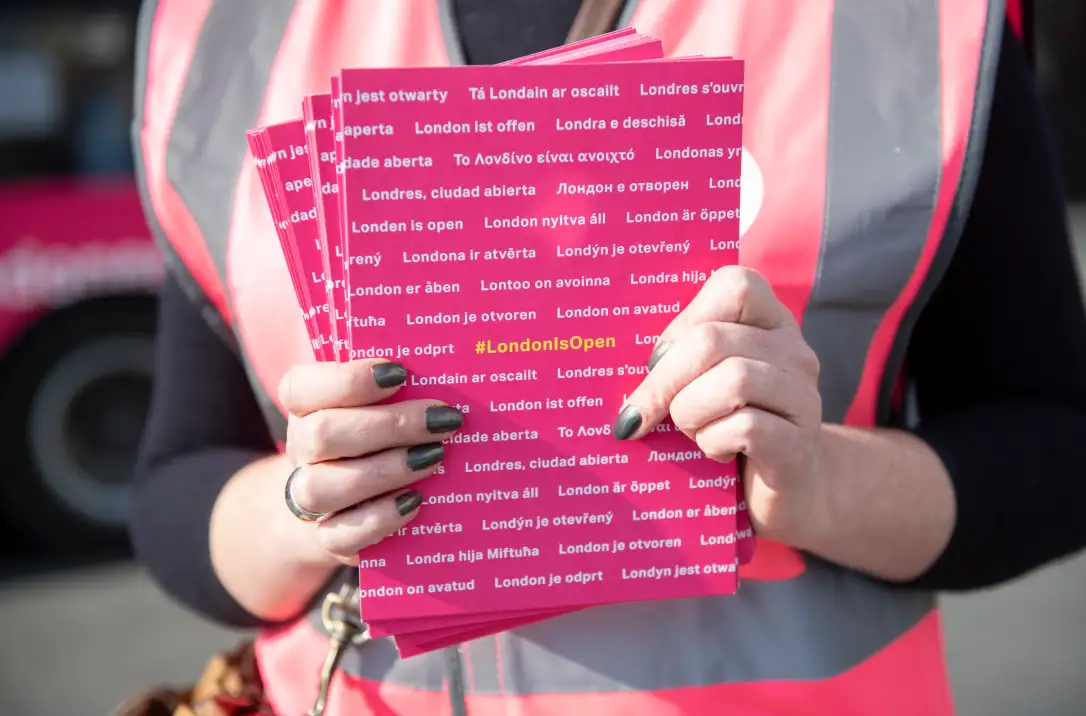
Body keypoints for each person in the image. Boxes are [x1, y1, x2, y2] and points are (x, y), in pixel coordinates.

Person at [127, 1, 1086, 715]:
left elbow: (1051, 445)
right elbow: (179, 477)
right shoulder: (221, 27)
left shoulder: (913, 23)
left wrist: (822, 479)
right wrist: (309, 509)